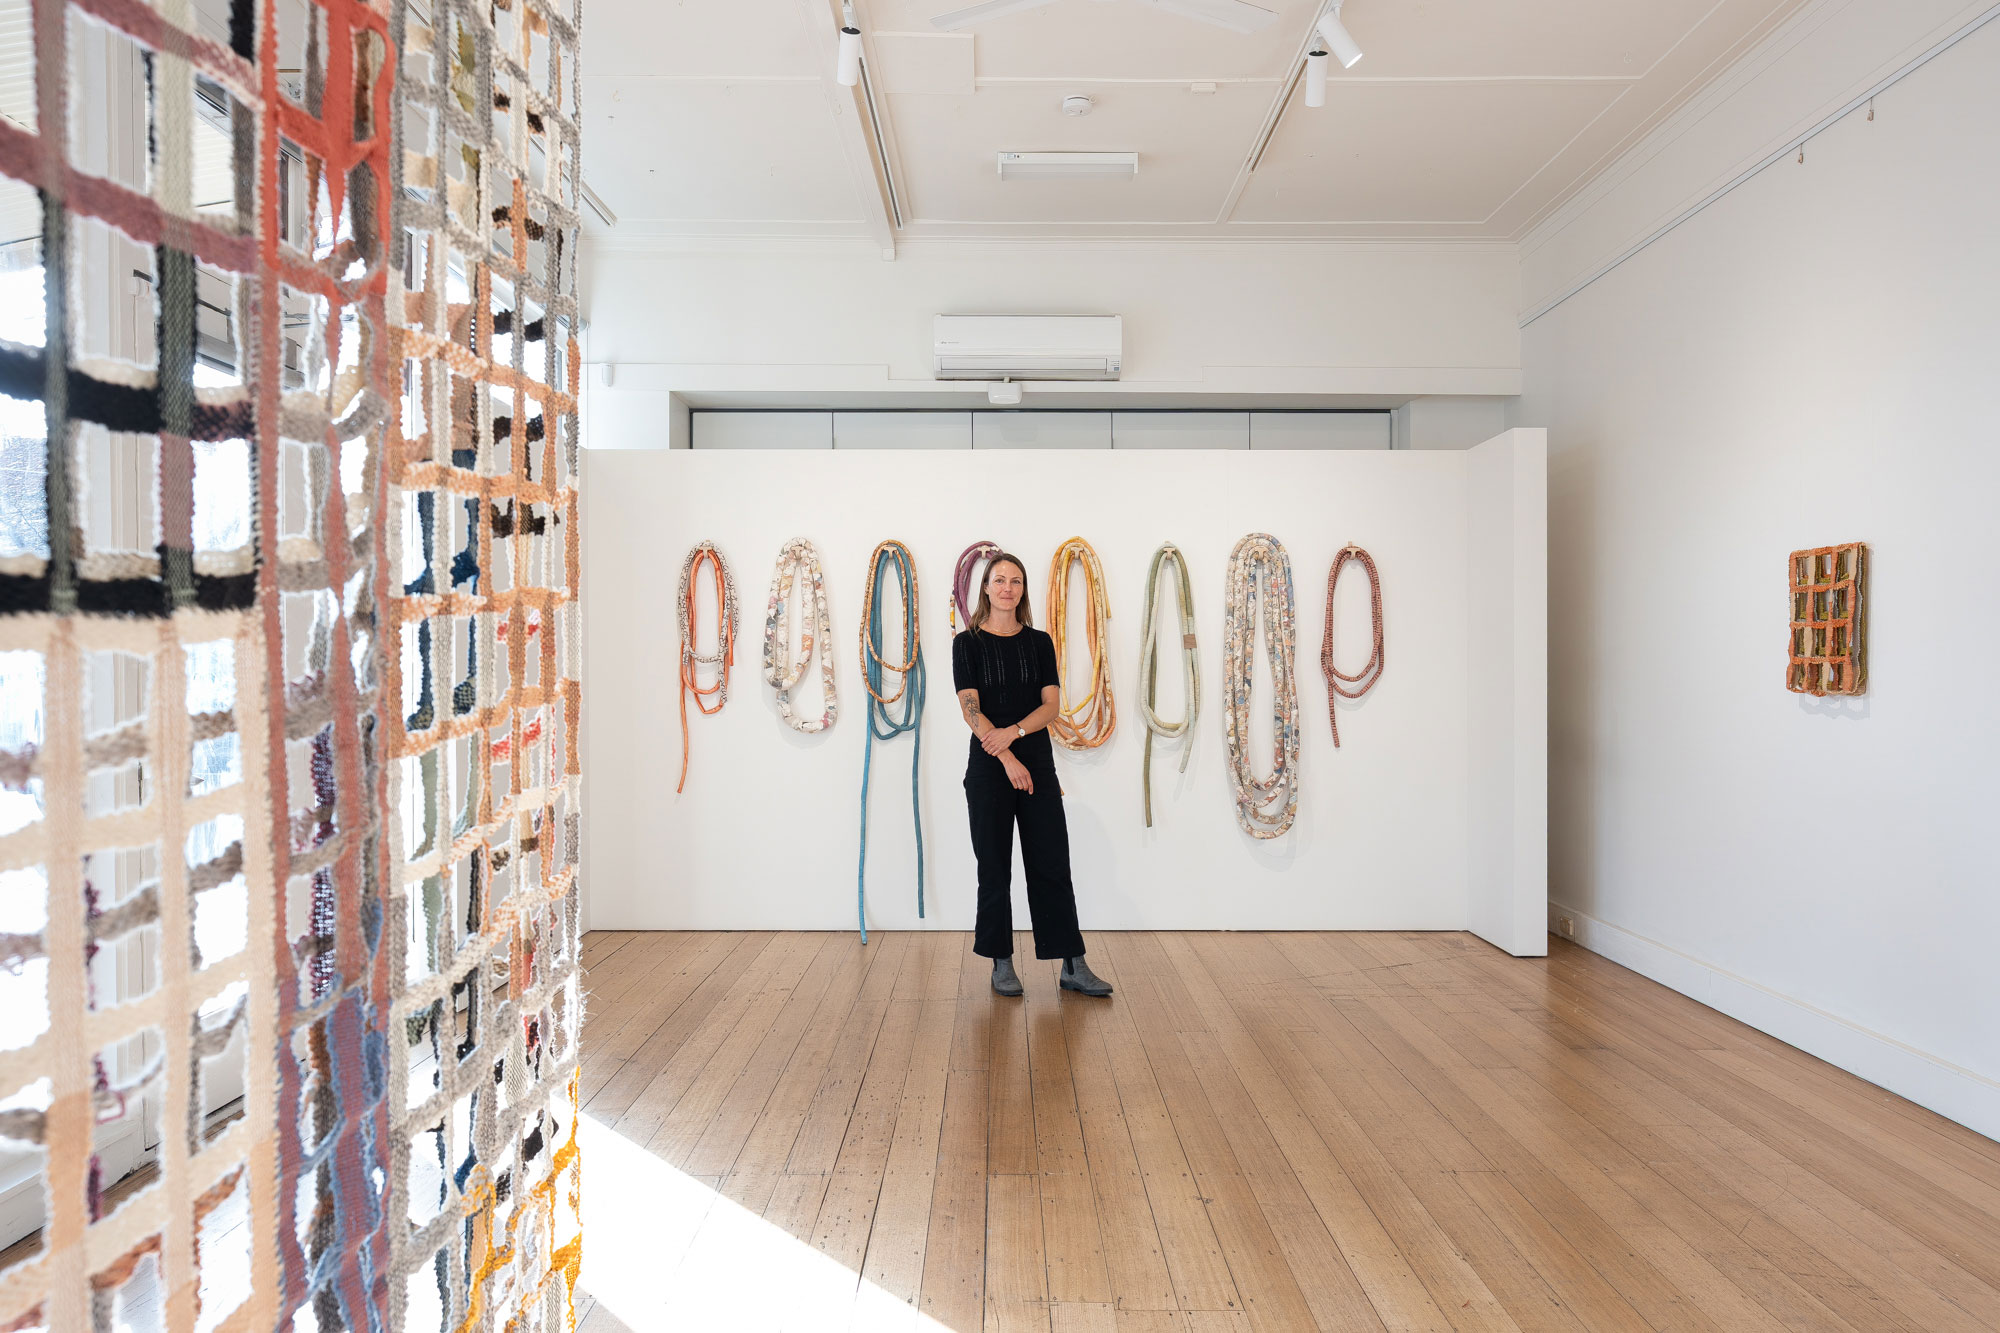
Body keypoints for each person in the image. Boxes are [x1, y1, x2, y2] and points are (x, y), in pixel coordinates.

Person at [951, 553, 1113, 998]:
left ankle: (1072, 964)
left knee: (1052, 863)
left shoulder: (1040, 642)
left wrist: (1015, 733)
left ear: (1023, 590)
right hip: (989, 767)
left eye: (1016, 581)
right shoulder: (966, 644)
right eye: (999, 580)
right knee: (994, 865)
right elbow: (970, 709)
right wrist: (1006, 756)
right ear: (986, 588)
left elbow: (1051, 707)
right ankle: (1001, 963)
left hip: (1037, 763)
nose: (1008, 588)